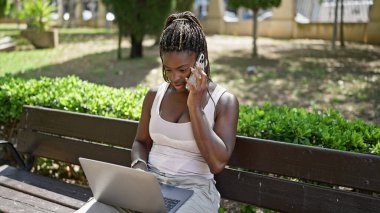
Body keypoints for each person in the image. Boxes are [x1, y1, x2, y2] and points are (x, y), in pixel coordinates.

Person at [76, 11, 239, 213]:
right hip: (149, 186)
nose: (174, 78)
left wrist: (195, 106)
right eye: (168, 69)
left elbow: (217, 163)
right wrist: (139, 168)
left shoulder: (224, 102)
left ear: (201, 60)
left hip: (195, 191)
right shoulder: (155, 95)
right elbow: (141, 142)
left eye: (183, 69)